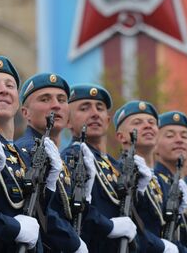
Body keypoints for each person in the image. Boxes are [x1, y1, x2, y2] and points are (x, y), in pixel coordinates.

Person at [15, 72, 90, 252]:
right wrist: (73, 241)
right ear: (26, 113)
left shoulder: (60, 157)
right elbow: (40, 209)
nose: (56, 105)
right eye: (45, 99)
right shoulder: (24, 151)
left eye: (62, 100)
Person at [61, 84, 137, 252]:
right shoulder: (71, 158)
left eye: (100, 108)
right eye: (84, 108)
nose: (94, 113)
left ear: (108, 120)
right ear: (68, 121)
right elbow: (71, 209)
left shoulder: (116, 166)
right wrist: (108, 225)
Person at [114, 100, 178, 253]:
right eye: (138, 122)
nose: (148, 125)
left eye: (152, 122)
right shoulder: (118, 172)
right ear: (121, 136)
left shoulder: (161, 181)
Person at [155, 111, 187, 252]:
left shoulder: (182, 187)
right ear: (155, 144)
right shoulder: (154, 182)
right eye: (170, 135)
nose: (179, 140)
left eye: (184, 136)